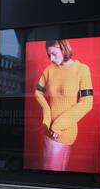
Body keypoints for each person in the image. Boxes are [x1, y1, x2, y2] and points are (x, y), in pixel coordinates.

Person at [35, 39, 94, 171]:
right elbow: (38, 92)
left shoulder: (82, 70)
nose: (51, 58)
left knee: (53, 174)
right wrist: (47, 112)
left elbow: (87, 103)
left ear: (63, 48)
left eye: (54, 54)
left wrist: (58, 125)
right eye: (48, 55)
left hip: (63, 132)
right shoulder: (49, 70)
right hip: (47, 131)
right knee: (47, 172)